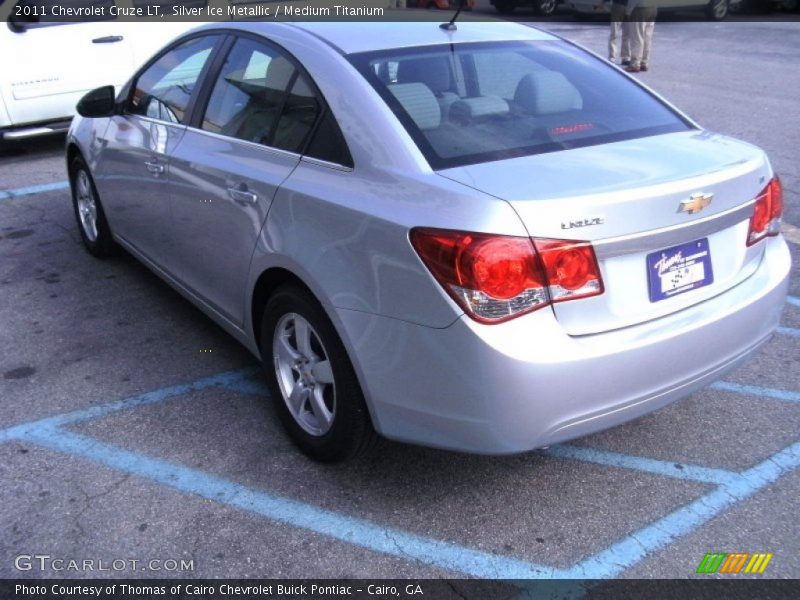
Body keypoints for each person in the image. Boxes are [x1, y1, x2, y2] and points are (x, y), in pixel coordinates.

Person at [626, 0, 657, 73]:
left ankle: (635, 64)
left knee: (637, 37)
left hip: (639, 9)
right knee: (647, 37)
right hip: (652, 8)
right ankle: (644, 62)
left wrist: (627, 12)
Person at [606, 0, 632, 66]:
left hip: (628, 6)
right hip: (619, 6)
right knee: (614, 33)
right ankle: (612, 57)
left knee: (627, 34)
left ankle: (625, 57)